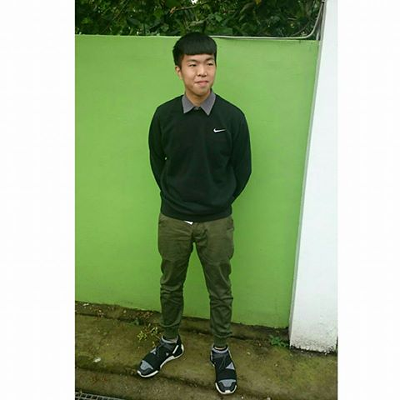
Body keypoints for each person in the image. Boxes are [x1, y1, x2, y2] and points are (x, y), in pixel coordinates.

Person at [137, 32, 251, 396]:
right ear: (179, 70)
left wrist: (218, 201)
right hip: (173, 219)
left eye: (209, 63)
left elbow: (242, 169)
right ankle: (170, 343)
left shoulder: (232, 117)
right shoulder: (164, 115)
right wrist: (175, 198)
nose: (202, 71)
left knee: (220, 289)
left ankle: (221, 351)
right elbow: (158, 162)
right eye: (193, 64)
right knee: (170, 284)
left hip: (217, 222)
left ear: (215, 67)